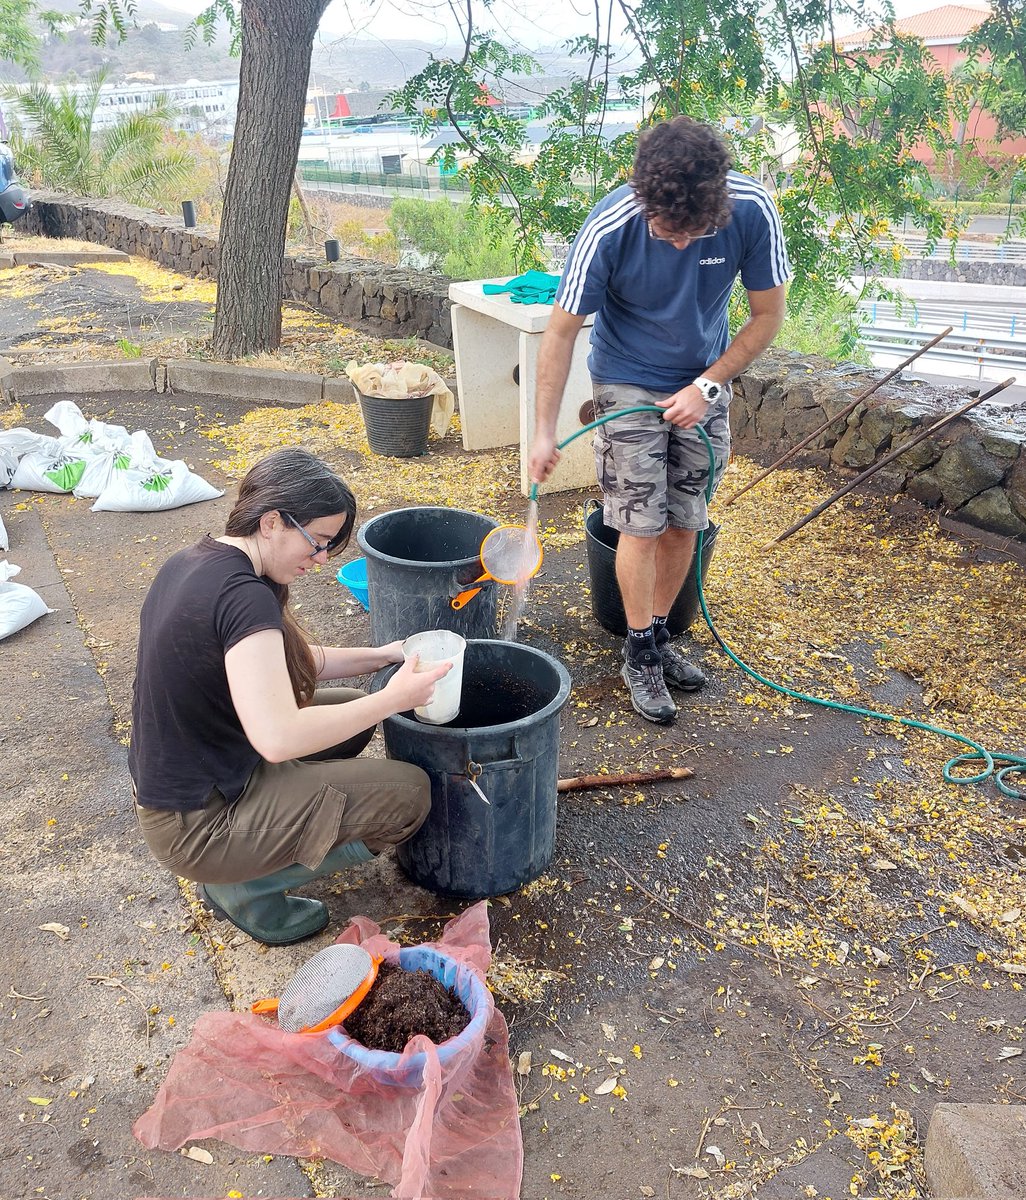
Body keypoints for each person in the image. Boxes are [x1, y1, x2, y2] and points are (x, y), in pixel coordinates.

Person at [128, 447, 450, 946]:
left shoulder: (200, 561)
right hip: (197, 823)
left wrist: (383, 655)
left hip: (204, 774)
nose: (321, 560)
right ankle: (246, 887)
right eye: (317, 541)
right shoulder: (243, 595)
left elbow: (288, 662)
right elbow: (278, 738)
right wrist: (395, 697)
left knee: (349, 710)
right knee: (410, 794)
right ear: (272, 520)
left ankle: (284, 814)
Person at [528, 115, 791, 724]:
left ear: (717, 206)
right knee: (640, 522)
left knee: (685, 520)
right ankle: (638, 651)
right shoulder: (610, 226)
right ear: (642, 197)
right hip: (624, 373)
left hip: (704, 377)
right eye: (664, 229)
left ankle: (659, 639)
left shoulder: (752, 211)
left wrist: (708, 383)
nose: (676, 243)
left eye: (691, 233)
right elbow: (561, 333)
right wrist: (543, 431)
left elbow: (767, 316)